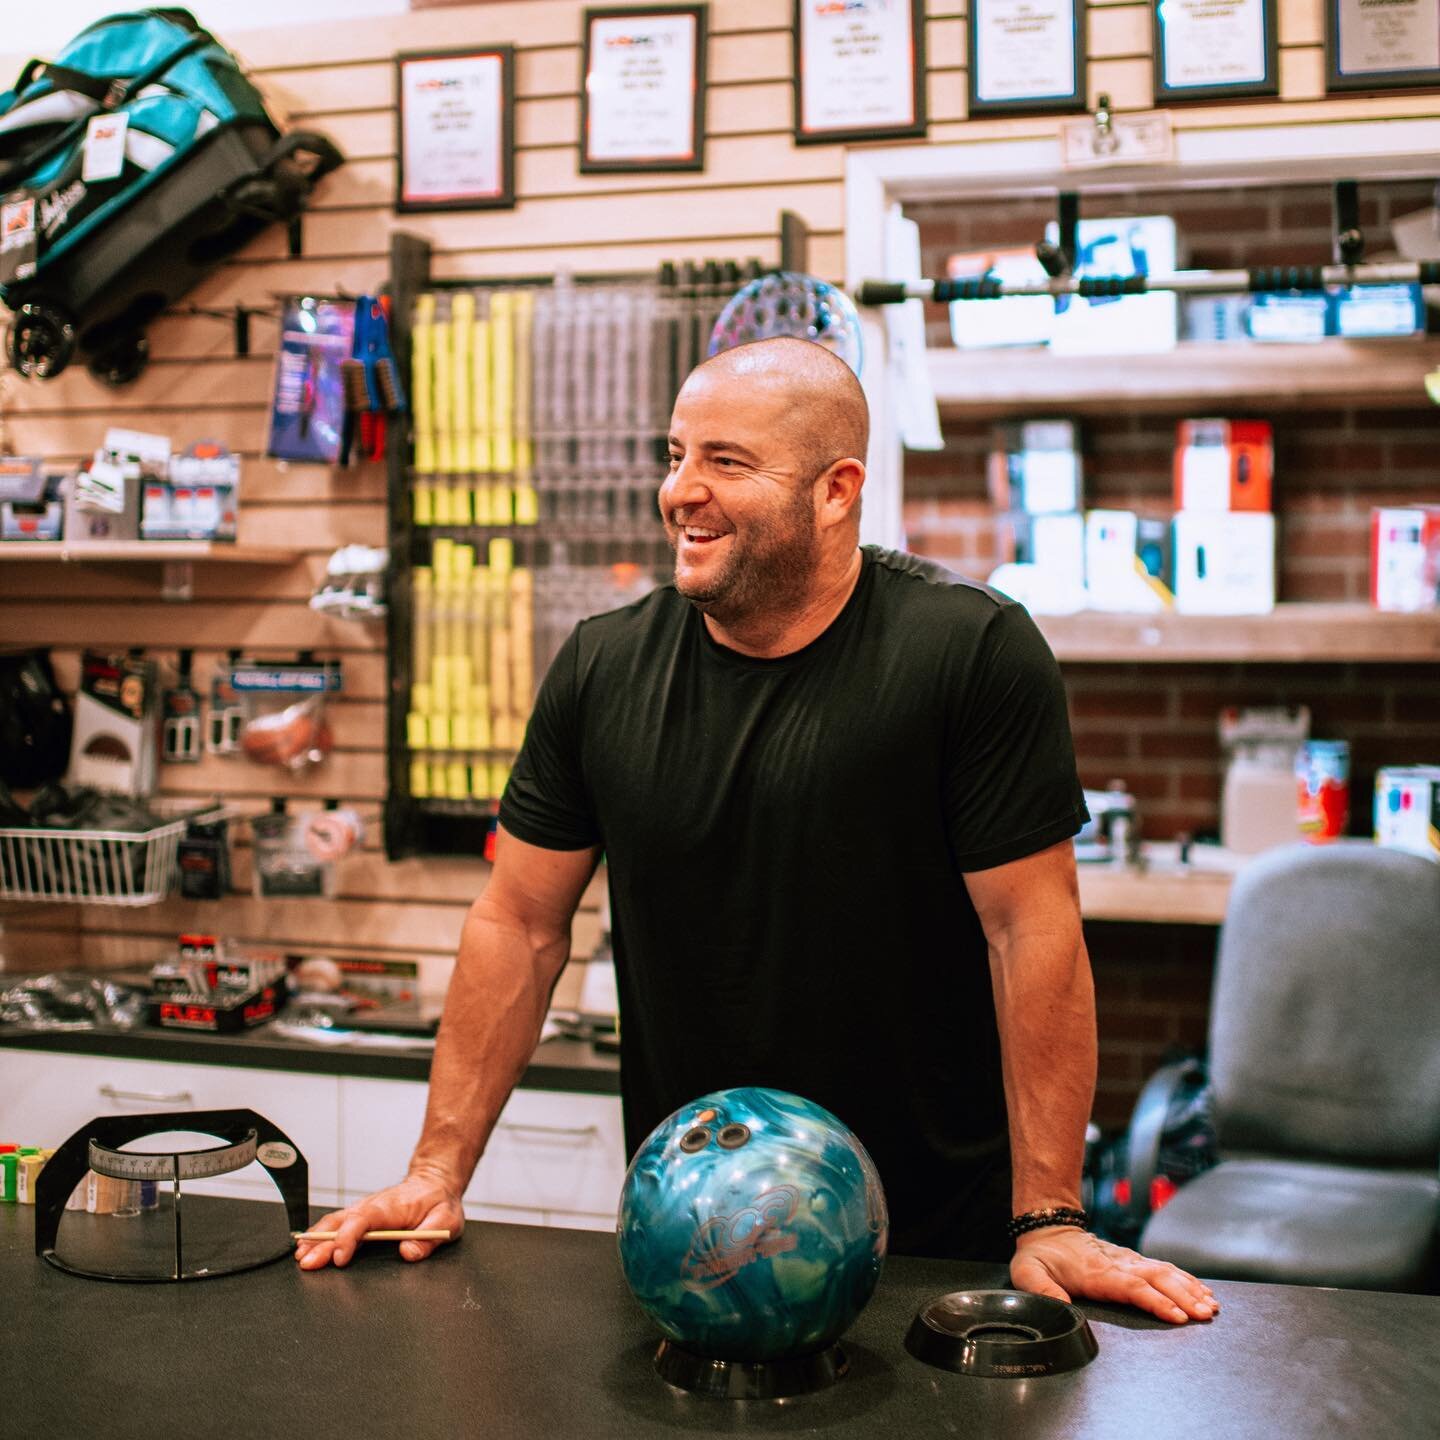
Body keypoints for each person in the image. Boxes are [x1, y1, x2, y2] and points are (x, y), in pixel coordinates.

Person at [297, 336, 1217, 1326]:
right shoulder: (602, 667)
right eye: (675, 454)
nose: (680, 491)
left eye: (725, 462)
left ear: (836, 491)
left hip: (928, 1250)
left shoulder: (971, 652)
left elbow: (1030, 934)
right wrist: (437, 1171)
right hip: (692, 1239)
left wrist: (1049, 1216)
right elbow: (517, 925)